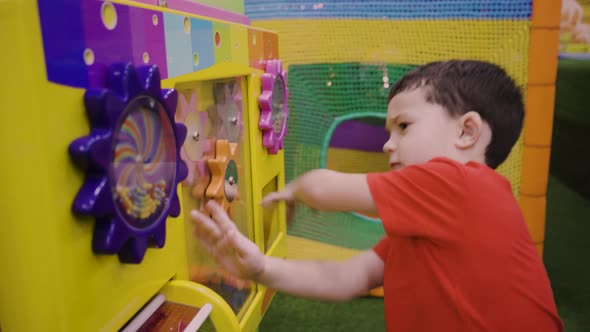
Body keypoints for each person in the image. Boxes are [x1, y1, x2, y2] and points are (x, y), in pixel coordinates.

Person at [190, 60, 564, 331]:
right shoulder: (425, 226)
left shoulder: (460, 185)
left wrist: (295, 188)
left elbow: (324, 188)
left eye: (404, 127)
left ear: (467, 132)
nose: (388, 144)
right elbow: (346, 278)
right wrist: (262, 268)